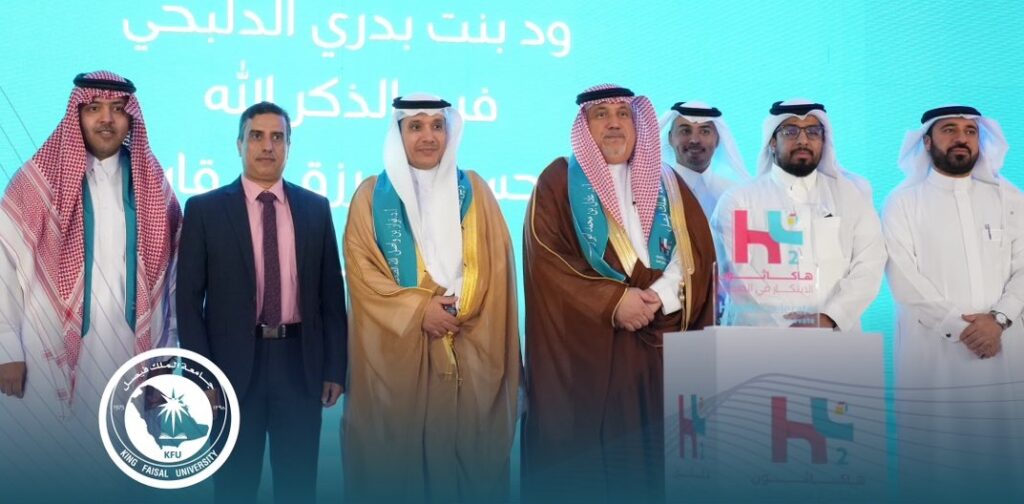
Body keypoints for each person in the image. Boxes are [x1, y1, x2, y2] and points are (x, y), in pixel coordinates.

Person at [522, 84, 716, 502]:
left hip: (659, 347)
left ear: (637, 123)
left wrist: (659, 297)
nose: (613, 123)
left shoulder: (669, 183)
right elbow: (547, 261)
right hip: (589, 353)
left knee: (656, 468)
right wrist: (614, 302)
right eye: (601, 115)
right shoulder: (558, 181)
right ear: (585, 126)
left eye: (622, 114)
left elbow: (695, 255)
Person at [0, 71, 181, 498]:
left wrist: (166, 355)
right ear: (76, 115)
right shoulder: (35, 183)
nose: (106, 119)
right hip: (44, 352)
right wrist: (6, 350)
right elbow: (3, 265)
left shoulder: (154, 186)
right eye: (94, 108)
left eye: (117, 110)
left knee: (118, 471)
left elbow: (174, 281)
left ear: (131, 119)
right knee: (48, 468)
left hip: (129, 353)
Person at [342, 94, 521, 503]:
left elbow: (498, 267)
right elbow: (362, 272)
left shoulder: (475, 190)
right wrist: (418, 310)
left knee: (465, 467)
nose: (428, 136)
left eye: (437, 126)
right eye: (416, 126)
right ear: (399, 134)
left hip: (468, 344)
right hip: (400, 353)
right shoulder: (370, 195)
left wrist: (460, 309)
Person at [176, 101, 346, 504]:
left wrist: (335, 368)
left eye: (277, 137)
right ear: (239, 144)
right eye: (256, 136)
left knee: (298, 488)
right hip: (230, 371)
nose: (267, 146)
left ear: (289, 145)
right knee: (234, 487)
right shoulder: (204, 209)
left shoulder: (316, 208)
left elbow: (331, 298)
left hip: (299, 366)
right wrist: (202, 376)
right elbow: (188, 302)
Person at [883, 105, 1024, 500]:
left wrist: (998, 320)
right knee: (935, 463)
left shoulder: (1010, 198)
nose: (961, 138)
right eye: (949, 130)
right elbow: (903, 278)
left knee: (1005, 462)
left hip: (1004, 349)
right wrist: (962, 329)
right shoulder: (902, 202)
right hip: (934, 356)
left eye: (970, 131)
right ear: (927, 142)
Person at [711, 99, 886, 329]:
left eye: (813, 132)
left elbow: (870, 263)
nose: (803, 140)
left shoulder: (851, 197)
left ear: (824, 141)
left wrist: (831, 316)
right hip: (760, 338)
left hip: (835, 339)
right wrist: (789, 323)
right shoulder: (739, 200)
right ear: (772, 141)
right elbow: (737, 272)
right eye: (790, 131)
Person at [659, 100, 748, 217]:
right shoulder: (656, 194)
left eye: (705, 131)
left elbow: (742, 227)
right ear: (670, 138)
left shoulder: (736, 194)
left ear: (717, 140)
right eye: (685, 131)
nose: (694, 140)